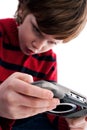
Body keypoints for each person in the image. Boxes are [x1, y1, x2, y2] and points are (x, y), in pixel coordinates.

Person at [0, 0, 87, 130]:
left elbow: (49, 112)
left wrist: (71, 124)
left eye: (52, 42)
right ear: (22, 9)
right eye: (37, 30)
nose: (39, 46)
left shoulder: (48, 59)